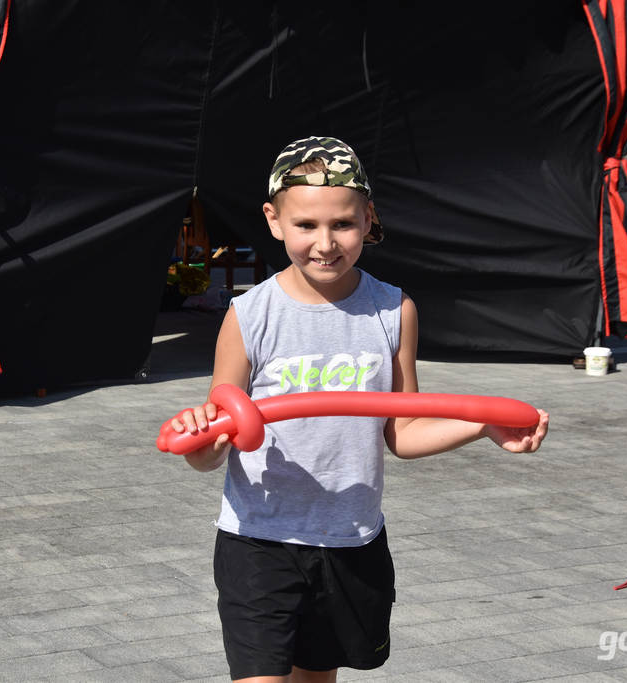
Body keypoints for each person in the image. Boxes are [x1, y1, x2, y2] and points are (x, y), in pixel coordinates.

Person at [170, 136, 550, 682]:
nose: (325, 244)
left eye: (342, 225)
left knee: (317, 678)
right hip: (258, 539)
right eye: (305, 226)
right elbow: (215, 443)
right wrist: (199, 443)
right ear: (274, 221)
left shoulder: (394, 310)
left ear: (368, 219)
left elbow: (404, 433)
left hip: (350, 539)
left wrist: (483, 424)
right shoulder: (249, 314)